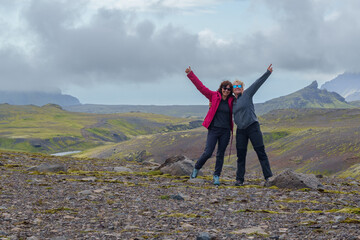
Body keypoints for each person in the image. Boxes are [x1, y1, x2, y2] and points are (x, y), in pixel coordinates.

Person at [185, 66, 234, 185]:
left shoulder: (233, 100)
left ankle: (216, 176)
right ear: (221, 88)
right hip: (214, 129)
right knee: (208, 152)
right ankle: (196, 168)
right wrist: (191, 74)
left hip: (226, 131)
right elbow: (200, 87)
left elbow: (244, 97)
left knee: (220, 154)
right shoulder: (213, 96)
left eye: (229, 89)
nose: (226, 90)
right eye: (224, 88)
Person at [232, 64, 273, 186]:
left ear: (243, 88)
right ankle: (239, 179)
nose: (237, 87)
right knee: (241, 155)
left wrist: (267, 73)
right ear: (233, 89)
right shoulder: (231, 101)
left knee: (260, 151)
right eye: (235, 86)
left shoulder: (247, 94)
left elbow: (257, 83)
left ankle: (268, 177)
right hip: (240, 130)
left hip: (252, 127)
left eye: (240, 86)